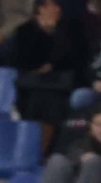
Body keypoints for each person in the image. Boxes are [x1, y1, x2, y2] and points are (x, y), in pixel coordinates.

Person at [11, 0, 92, 147]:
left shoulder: (72, 28)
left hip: (61, 83)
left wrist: (52, 34)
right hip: (34, 85)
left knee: (50, 101)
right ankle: (32, 146)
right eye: (52, 6)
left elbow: (76, 58)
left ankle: (47, 147)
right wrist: (42, 34)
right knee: (34, 100)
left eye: (57, 5)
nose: (57, 9)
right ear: (40, 9)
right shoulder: (24, 31)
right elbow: (23, 62)